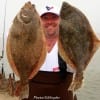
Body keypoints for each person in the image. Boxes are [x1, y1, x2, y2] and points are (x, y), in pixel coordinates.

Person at [28, 5, 77, 100]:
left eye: (54, 17)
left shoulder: (70, 42)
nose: (49, 21)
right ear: (39, 21)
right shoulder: (29, 43)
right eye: (45, 18)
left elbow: (78, 68)